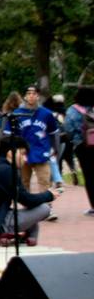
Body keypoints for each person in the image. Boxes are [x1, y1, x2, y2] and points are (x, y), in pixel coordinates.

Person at [0, 138, 56, 247]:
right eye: (23, 154)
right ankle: (7, 233)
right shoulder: (8, 170)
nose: (25, 159)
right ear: (10, 153)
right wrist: (49, 195)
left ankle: (28, 237)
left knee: (31, 211)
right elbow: (27, 200)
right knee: (44, 208)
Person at [4, 85, 59, 193]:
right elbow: (8, 134)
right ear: (24, 96)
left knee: (45, 182)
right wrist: (10, 151)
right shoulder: (16, 114)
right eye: (28, 94)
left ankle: (46, 202)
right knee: (23, 183)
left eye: (34, 94)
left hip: (41, 151)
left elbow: (54, 133)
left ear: (38, 96)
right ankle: (27, 202)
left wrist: (55, 148)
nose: (31, 96)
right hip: (23, 152)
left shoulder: (46, 114)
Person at [63, 86, 94, 216]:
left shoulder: (73, 110)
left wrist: (75, 140)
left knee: (89, 176)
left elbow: (68, 128)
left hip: (82, 146)